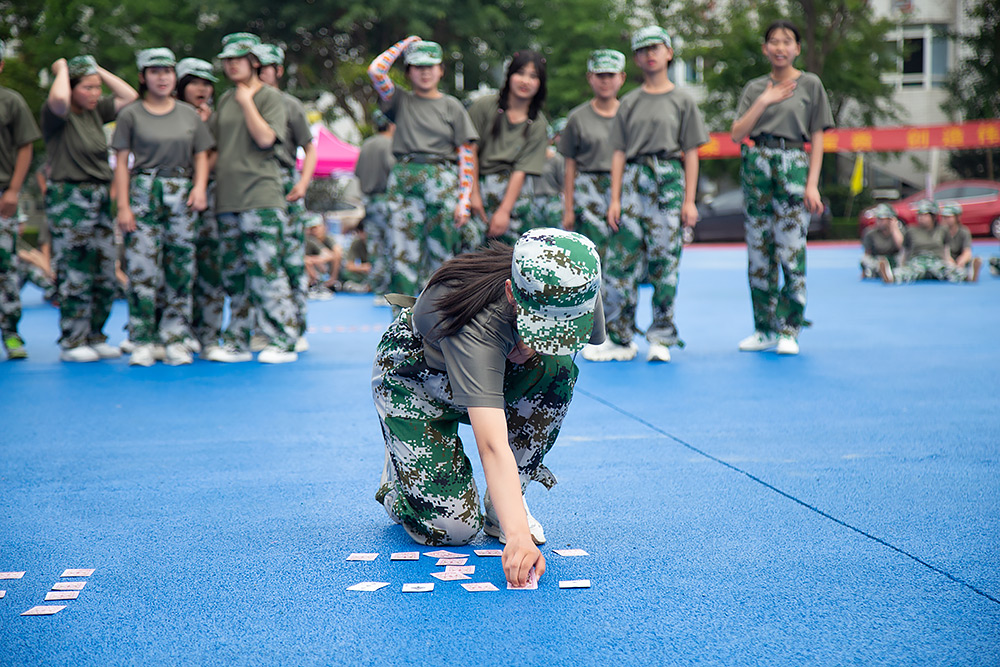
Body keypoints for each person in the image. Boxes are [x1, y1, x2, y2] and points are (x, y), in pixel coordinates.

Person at [372, 228, 604, 587]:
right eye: (540, 325)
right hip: (416, 380)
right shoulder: (478, 323)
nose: (550, 337)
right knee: (450, 529)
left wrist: (535, 346)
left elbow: (565, 351)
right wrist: (518, 539)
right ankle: (400, 479)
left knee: (557, 370)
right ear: (513, 294)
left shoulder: (577, 285)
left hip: (498, 369)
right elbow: (492, 444)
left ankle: (505, 506)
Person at [585, 27, 708, 364]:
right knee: (620, 263)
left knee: (664, 263)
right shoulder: (631, 102)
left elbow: (692, 152)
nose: (649, 55)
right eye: (642, 50)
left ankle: (662, 335)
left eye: (655, 48)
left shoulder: (683, 100)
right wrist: (614, 199)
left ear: (669, 52)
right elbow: (618, 153)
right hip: (633, 182)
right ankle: (620, 336)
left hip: (668, 179)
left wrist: (690, 201)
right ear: (636, 59)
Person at [730, 19, 833, 356]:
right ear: (765, 48)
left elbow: (817, 136)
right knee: (759, 253)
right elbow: (736, 133)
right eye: (773, 41)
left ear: (797, 48)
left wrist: (812, 184)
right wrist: (766, 99)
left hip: (793, 165)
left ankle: (790, 328)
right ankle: (764, 328)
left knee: (790, 250)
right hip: (757, 165)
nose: (779, 47)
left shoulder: (811, 84)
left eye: (787, 41)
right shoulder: (754, 87)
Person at [111, 48, 213, 367]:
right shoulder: (131, 114)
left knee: (181, 267)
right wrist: (123, 206)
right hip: (143, 190)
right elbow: (121, 162)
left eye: (167, 71)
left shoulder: (188, 114)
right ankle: (143, 338)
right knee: (142, 268)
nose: (162, 77)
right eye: (154, 72)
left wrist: (198, 187)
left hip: (181, 191)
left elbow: (201, 154)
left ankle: (176, 337)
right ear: (143, 77)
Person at [41, 55, 138, 362]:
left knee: (105, 270)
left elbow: (130, 96)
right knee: (75, 269)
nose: (95, 93)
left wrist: (97, 70)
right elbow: (57, 97)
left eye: (97, 88)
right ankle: (73, 339)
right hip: (70, 196)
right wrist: (62, 69)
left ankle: (95, 334)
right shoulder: (58, 113)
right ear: (72, 88)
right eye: (87, 87)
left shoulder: (98, 112)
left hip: (99, 196)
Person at [210, 33, 298, 364]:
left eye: (239, 59)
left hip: (261, 196)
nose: (232, 64)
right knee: (235, 277)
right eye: (227, 59)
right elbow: (217, 149)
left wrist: (247, 100)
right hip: (228, 199)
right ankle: (236, 341)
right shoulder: (223, 100)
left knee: (266, 271)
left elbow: (265, 138)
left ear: (254, 63)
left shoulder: (270, 97)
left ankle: (283, 340)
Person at [368, 37, 478, 297]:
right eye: (418, 66)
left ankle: (438, 327)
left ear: (441, 70)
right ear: (408, 72)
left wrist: (464, 199)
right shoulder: (399, 100)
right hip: (404, 181)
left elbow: (466, 155)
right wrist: (403, 45)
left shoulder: (452, 106)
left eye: (431, 66)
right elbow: (376, 70)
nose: (425, 72)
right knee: (401, 259)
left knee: (442, 259)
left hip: (442, 181)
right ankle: (402, 328)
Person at [254, 43, 317, 353]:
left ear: (277, 70)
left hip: (285, 183)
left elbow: (311, 147)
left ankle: (296, 326)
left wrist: (303, 183)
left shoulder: (289, 104)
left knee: (291, 259)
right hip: (251, 185)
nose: (259, 72)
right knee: (257, 259)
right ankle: (260, 327)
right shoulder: (243, 103)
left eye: (264, 67)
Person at [468, 51, 549, 247]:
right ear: (509, 75)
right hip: (477, 183)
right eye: (520, 73)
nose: (525, 81)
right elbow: (469, 151)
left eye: (533, 76)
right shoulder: (484, 106)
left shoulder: (538, 123)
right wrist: (473, 193)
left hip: (513, 195)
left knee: (508, 255)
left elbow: (521, 170)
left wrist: (504, 211)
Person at [176, 57, 225, 360]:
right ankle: (173, 333)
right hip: (172, 198)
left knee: (210, 269)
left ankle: (209, 335)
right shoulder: (166, 115)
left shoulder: (215, 118)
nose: (202, 88)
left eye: (207, 83)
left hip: (209, 201)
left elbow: (216, 158)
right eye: (194, 82)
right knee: (175, 268)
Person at [560, 49, 627, 265]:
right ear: (590, 77)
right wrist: (568, 209)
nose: (605, 81)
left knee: (622, 259)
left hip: (625, 189)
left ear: (622, 78)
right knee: (589, 258)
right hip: (588, 192)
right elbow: (569, 165)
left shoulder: (630, 114)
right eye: (600, 75)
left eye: (611, 75)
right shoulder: (577, 118)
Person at [0, 38, 42, 360]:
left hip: (2, 195)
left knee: (5, 266)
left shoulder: (11, 101)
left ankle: (11, 333)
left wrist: (14, 190)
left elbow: (25, 146)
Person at [879, 199, 982, 283]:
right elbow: (904, 251)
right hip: (917, 259)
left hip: (936, 260)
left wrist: (952, 263)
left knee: (946, 271)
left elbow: (946, 250)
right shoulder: (911, 230)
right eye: (920, 215)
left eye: (925, 215)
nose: (921, 218)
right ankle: (891, 277)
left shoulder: (942, 230)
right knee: (910, 271)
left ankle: (968, 276)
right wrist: (902, 264)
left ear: (933, 216)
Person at [353, 110, 395, 302]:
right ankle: (392, 290)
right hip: (386, 200)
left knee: (375, 246)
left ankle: (379, 290)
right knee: (392, 245)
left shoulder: (367, 144)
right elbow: (393, 170)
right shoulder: (389, 144)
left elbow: (358, 172)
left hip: (368, 202)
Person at [303, 212, 341, 299]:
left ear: (324, 227)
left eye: (316, 228)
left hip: (325, 268)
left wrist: (315, 259)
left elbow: (333, 254)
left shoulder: (328, 239)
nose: (314, 231)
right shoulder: (309, 240)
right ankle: (314, 285)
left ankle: (328, 282)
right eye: (311, 228)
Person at [860, 203, 903, 279]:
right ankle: (880, 270)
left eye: (882, 219)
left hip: (893, 259)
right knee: (865, 260)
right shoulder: (870, 234)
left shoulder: (899, 232)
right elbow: (867, 254)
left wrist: (895, 229)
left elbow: (901, 248)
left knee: (902, 259)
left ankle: (889, 273)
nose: (879, 221)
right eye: (878, 218)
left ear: (891, 219)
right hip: (878, 259)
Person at [939, 201, 978, 277]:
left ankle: (968, 270)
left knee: (971, 259)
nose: (945, 220)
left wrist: (962, 261)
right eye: (944, 217)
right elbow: (943, 251)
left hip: (958, 259)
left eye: (949, 217)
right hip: (945, 259)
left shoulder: (964, 231)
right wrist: (950, 261)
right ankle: (964, 275)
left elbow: (967, 251)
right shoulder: (940, 232)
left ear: (957, 217)